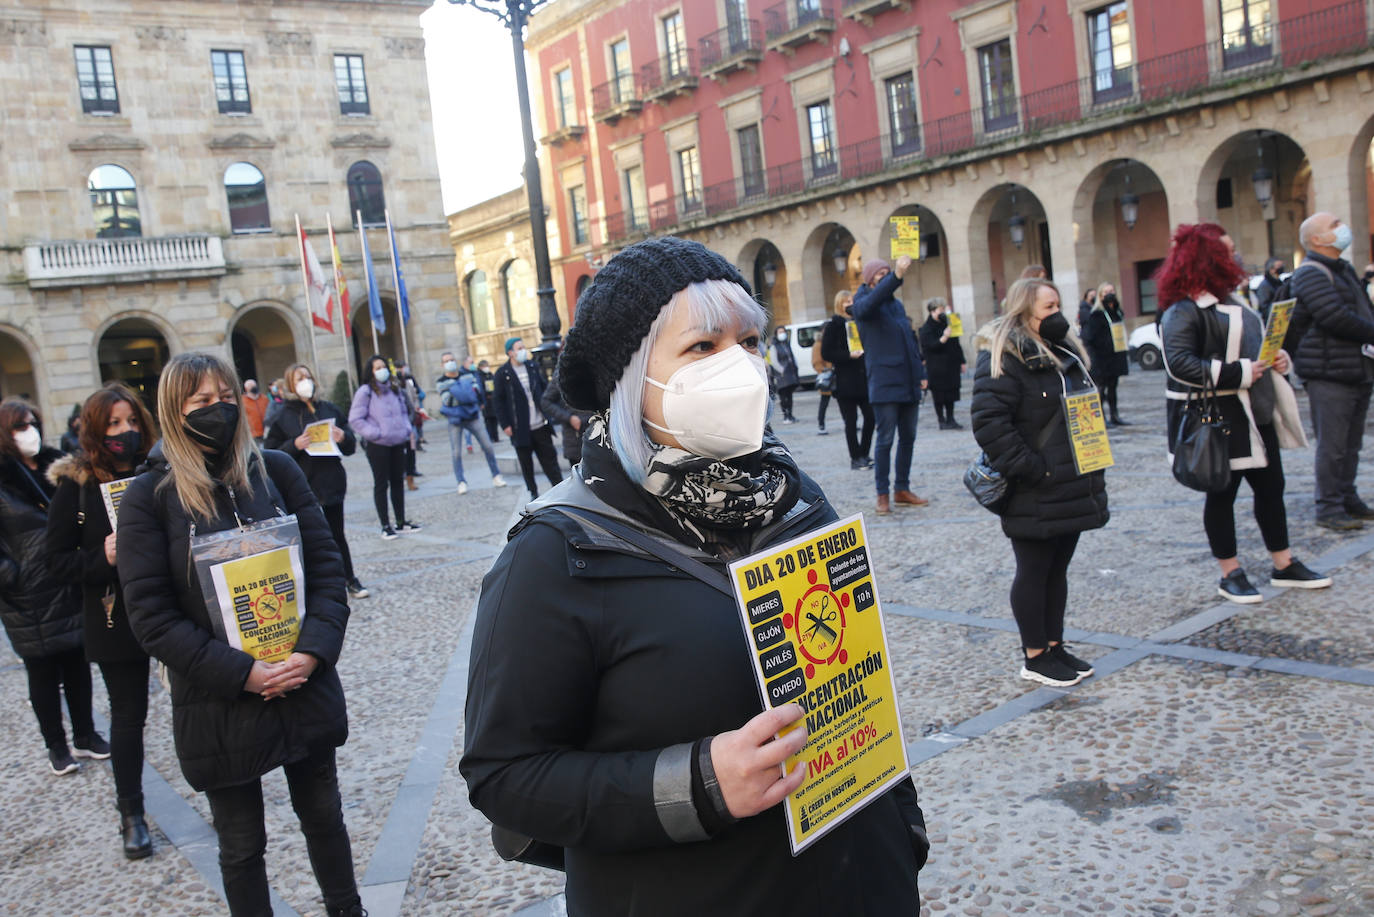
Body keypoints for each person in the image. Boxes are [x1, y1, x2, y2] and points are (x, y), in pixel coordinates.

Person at [461, 236, 927, 916]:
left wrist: (901, 828)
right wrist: (700, 782)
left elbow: (858, 683)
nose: (738, 365)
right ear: (633, 377)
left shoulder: (797, 498)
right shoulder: (555, 552)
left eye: (746, 341)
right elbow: (505, 774)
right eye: (703, 347)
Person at [117, 352, 364, 917]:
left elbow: (326, 568)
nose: (217, 410)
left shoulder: (276, 470)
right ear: (174, 412)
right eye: (201, 402)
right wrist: (242, 674)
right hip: (218, 700)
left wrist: (314, 652)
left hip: (301, 681)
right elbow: (151, 617)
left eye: (225, 398)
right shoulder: (149, 499)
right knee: (242, 844)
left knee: (325, 816)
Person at [1159, 223, 1331, 603]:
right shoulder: (1183, 310)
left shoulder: (1234, 301)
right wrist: (1238, 372)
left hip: (1256, 412)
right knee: (1221, 493)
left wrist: (1276, 359)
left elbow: (1252, 345)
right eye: (1227, 251)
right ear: (1206, 259)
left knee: (1272, 489)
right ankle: (1230, 572)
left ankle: (1283, 563)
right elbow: (1179, 363)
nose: (1235, 257)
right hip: (1218, 417)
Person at [971, 278, 1109, 687]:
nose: (1057, 314)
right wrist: (1031, 468)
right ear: (1025, 310)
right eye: (1048, 307)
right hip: (1034, 486)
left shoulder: (1065, 352)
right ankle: (1034, 655)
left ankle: (1054, 644)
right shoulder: (1004, 355)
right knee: (1034, 569)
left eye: (1057, 305)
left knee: (1058, 568)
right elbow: (989, 423)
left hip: (1071, 480)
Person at [44, 383, 156, 857]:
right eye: (113, 424)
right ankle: (130, 813)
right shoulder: (79, 484)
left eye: (131, 421)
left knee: (203, 699)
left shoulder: (158, 470)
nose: (124, 432)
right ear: (94, 428)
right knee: (130, 716)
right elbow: (56, 562)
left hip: (172, 604)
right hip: (116, 615)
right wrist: (101, 555)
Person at [0, 398, 106, 776]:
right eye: (19, 426)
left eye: (32, 422)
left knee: (78, 664)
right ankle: (56, 746)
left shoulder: (56, 465)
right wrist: (13, 577)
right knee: (43, 673)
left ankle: (86, 735)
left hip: (68, 579)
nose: (29, 431)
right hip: (27, 595)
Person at [1284, 212, 1374, 531]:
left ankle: (1347, 497)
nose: (1342, 228)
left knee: (1351, 444)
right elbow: (1334, 316)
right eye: (1334, 225)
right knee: (1333, 445)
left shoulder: (1343, 268)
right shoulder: (1310, 273)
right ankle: (1329, 507)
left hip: (1355, 368)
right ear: (1317, 240)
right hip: (1328, 373)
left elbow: (1360, 309)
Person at [263, 362, 369, 599]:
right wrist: (294, 445)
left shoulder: (328, 408)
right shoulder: (283, 416)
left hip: (331, 481)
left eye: (307, 376)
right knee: (309, 538)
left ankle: (349, 578)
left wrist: (344, 437)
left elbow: (351, 444)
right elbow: (269, 453)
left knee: (336, 534)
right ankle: (315, 586)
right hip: (302, 486)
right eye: (299, 378)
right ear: (290, 383)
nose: (305, 381)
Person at [853, 255, 928, 515]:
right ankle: (882, 494)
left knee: (908, 438)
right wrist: (895, 276)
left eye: (888, 272)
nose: (885, 276)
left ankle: (902, 489)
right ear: (869, 279)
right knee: (885, 440)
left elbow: (909, 342)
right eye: (880, 273)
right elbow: (868, 306)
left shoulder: (895, 306)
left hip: (908, 382)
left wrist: (920, 373)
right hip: (884, 383)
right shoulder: (862, 303)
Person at [349, 354, 421, 539]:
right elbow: (355, 419)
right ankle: (385, 525)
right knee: (381, 484)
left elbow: (405, 411)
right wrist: (375, 433)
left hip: (398, 441)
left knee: (398, 481)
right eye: (377, 367)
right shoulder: (365, 391)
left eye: (383, 366)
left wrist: (406, 429)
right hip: (378, 445)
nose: (381, 370)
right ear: (371, 372)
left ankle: (401, 521)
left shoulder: (394, 389)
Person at [493, 337, 563, 501]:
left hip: (540, 424)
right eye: (519, 348)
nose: (523, 350)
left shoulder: (532, 366)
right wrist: (505, 424)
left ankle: (559, 488)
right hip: (520, 427)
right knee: (526, 463)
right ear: (510, 353)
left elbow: (544, 388)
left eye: (523, 347)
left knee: (549, 459)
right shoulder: (503, 374)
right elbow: (498, 401)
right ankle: (533, 492)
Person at [435, 350, 505, 495]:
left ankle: (496, 475)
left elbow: (475, 394)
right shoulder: (441, 382)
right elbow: (448, 400)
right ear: (442, 365)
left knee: (488, 446)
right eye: (446, 361)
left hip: (473, 416)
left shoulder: (467, 375)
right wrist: (465, 394)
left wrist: (457, 392)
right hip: (455, 419)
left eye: (452, 359)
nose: (450, 363)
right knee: (456, 452)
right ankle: (461, 481)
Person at [820, 290, 873, 470]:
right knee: (851, 422)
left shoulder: (860, 321)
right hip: (845, 381)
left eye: (851, 300)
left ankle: (864, 453)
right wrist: (848, 355)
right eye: (846, 301)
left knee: (871, 417)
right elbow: (826, 352)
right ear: (839, 304)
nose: (850, 304)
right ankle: (855, 457)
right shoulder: (834, 325)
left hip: (864, 379)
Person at [1080, 282, 1131, 426]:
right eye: (1106, 292)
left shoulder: (1117, 312)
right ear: (1100, 295)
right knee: (1101, 387)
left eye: (1112, 290)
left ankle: (1115, 415)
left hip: (1116, 355)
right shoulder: (1096, 314)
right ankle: (1101, 417)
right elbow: (1091, 337)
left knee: (1113, 386)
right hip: (1102, 357)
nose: (1110, 294)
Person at [918, 297, 967, 430]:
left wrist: (962, 361)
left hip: (951, 364)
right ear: (932, 312)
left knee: (951, 392)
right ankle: (941, 420)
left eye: (944, 309)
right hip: (936, 367)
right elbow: (929, 346)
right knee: (939, 395)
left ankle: (951, 418)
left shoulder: (948, 323)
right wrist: (943, 338)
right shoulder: (926, 328)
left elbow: (957, 344)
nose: (943, 312)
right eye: (940, 310)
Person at [540, 376, 593, 467]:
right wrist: (569, 418)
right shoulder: (562, 371)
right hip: (575, 436)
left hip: (597, 430)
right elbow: (546, 402)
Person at [395, 362, 424, 490]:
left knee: (411, 453)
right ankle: (400, 477)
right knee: (399, 456)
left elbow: (411, 409)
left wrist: (409, 421)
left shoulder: (403, 392)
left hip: (407, 428)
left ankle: (410, 478)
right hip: (395, 430)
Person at [766, 327, 799, 424]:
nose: (782, 333)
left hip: (790, 373)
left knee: (790, 395)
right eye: (780, 332)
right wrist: (782, 370)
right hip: (781, 375)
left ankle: (790, 414)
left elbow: (791, 356)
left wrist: (795, 367)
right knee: (783, 396)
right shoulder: (774, 346)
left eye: (783, 331)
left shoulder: (786, 344)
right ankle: (786, 416)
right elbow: (774, 361)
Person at [811, 327, 832, 435]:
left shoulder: (829, 341)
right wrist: (825, 371)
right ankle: (821, 424)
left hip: (834, 375)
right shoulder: (818, 344)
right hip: (827, 376)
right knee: (824, 402)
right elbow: (816, 362)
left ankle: (851, 422)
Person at [1253, 257, 1287, 323]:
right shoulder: (1265, 286)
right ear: (1271, 270)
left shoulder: (1280, 283)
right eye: (1279, 266)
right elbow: (1264, 308)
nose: (1281, 268)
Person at [476, 358, 500, 444]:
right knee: (488, 420)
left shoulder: (490, 374)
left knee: (494, 419)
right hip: (485, 401)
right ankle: (490, 437)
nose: (487, 368)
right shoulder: (478, 376)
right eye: (485, 366)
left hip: (492, 400)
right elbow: (479, 389)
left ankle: (496, 436)